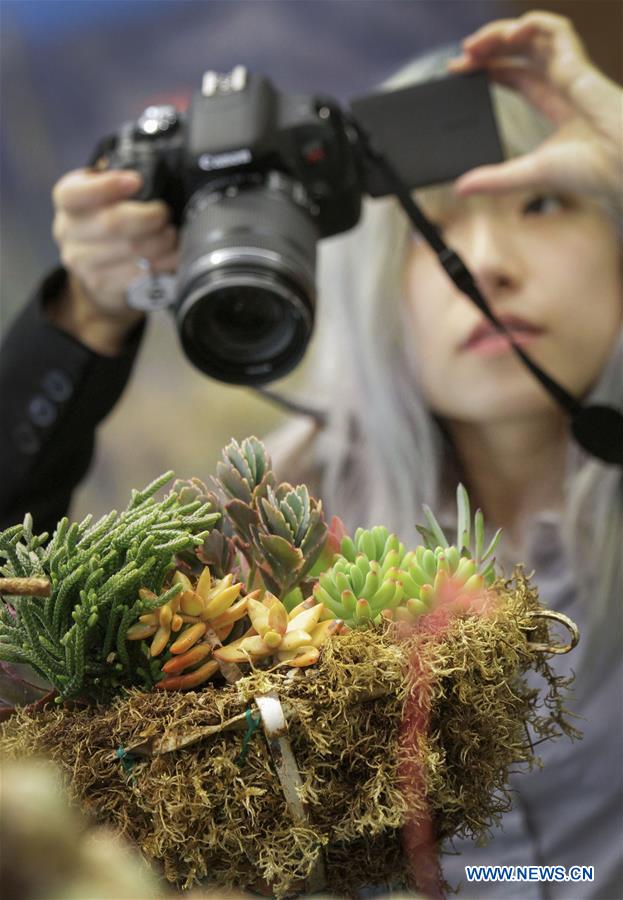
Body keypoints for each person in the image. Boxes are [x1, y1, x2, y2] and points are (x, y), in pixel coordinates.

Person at [0, 10, 621, 899]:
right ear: (368, 278)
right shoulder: (262, 550)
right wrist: (87, 317)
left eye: (543, 202)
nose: (487, 261)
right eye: (430, 226)